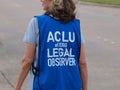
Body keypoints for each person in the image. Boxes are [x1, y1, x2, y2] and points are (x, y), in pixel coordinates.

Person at [15, 0, 88, 90]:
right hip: (71, 85)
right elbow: (82, 62)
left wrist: (17, 87)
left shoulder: (37, 23)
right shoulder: (75, 25)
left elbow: (27, 60)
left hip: (43, 85)